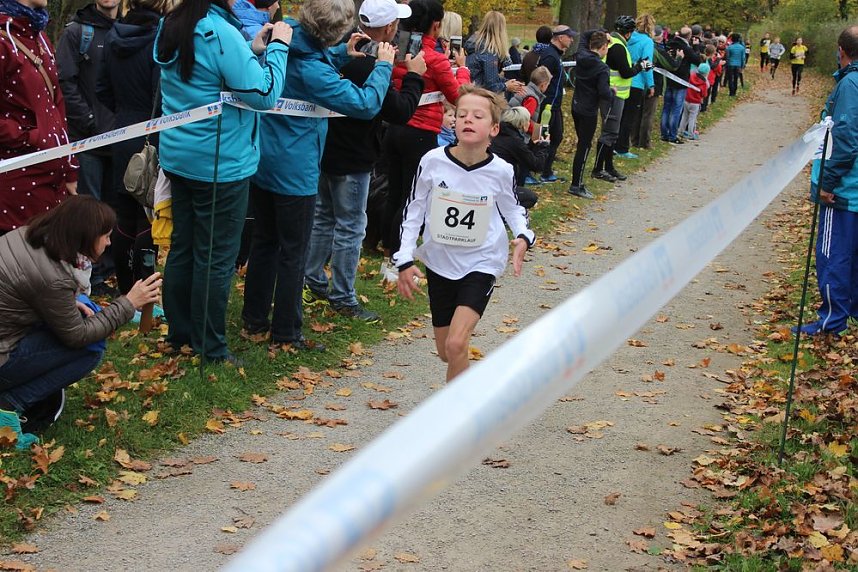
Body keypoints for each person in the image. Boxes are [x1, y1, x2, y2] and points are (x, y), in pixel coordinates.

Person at [242, 0, 393, 350]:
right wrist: (383, 66)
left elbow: (308, 57)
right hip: (294, 171)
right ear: (332, 31)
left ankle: (254, 319)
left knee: (265, 242)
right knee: (294, 252)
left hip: (263, 159)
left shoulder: (286, 36)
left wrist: (341, 53)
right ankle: (287, 333)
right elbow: (365, 103)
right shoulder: (313, 71)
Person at [153, 0, 292, 362]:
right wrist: (278, 47)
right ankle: (210, 347)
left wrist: (249, 50)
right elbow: (264, 94)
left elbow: (203, 73)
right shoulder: (220, 32)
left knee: (184, 247)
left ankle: (179, 334)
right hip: (220, 162)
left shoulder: (174, 23)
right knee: (214, 258)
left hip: (179, 156)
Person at [394, 85, 534, 382]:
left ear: (494, 128)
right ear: (453, 121)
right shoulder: (432, 160)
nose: (468, 120)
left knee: (457, 343)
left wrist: (523, 236)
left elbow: (512, 209)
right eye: (462, 115)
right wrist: (404, 258)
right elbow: (414, 210)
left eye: (478, 116)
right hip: (440, 262)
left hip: (481, 262)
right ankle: (470, 381)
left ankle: (458, 417)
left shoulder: (501, 170)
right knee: (448, 350)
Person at [0, 196, 161, 449]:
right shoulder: (53, 278)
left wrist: (63, 302)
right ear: (84, 236)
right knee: (91, 348)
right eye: (105, 236)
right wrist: (128, 304)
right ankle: (8, 406)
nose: (109, 243)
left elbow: (24, 288)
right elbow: (77, 336)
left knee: (90, 311)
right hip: (4, 354)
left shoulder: (27, 235)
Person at [302, 0, 425, 324]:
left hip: (324, 149)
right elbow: (398, 110)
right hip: (352, 157)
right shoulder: (367, 62)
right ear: (388, 28)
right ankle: (342, 295)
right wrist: (414, 77)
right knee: (350, 227)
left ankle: (313, 278)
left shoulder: (338, 50)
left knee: (324, 217)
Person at [379, 0, 470, 272]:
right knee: (411, 197)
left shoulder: (396, 54)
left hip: (393, 128)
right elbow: (459, 97)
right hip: (420, 132)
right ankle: (399, 259)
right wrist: (462, 70)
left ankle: (387, 252)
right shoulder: (435, 59)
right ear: (436, 25)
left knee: (394, 193)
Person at [96, 0, 168, 301]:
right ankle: (143, 298)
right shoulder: (160, 37)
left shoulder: (113, 35)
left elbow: (102, 89)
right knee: (147, 219)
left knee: (125, 215)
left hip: (122, 131)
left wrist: (124, 115)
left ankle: (127, 293)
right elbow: (160, 92)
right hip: (151, 134)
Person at [795, 25, 858, 336]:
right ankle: (850, 312)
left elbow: (845, 139)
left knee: (834, 255)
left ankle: (832, 320)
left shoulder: (850, 85)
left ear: (841, 51)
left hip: (845, 189)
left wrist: (827, 183)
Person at [0, 0, 78, 236]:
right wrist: (29, 137)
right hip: (13, 188)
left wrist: (69, 166)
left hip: (52, 184)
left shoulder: (39, 35)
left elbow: (57, 106)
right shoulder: (4, 41)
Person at [56, 0, 117, 201]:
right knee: (89, 215)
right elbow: (65, 83)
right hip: (88, 143)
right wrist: (89, 121)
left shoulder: (129, 30)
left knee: (116, 217)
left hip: (121, 139)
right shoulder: (76, 33)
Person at [591, 15, 648, 182]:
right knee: (609, 133)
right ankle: (598, 168)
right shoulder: (619, 47)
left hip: (613, 94)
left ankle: (608, 167)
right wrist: (640, 66)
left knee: (612, 133)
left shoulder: (613, 43)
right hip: (614, 95)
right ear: (629, 33)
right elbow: (626, 72)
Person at [568, 30, 612, 200]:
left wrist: (600, 34)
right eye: (607, 47)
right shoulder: (602, 68)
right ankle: (576, 184)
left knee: (582, 144)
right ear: (602, 47)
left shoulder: (581, 56)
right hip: (588, 111)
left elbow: (585, 35)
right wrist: (612, 92)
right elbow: (604, 92)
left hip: (576, 105)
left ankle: (576, 180)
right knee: (584, 147)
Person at [535, 25, 574, 183]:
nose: (571, 39)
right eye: (569, 36)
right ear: (560, 37)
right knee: (542, 137)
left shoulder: (557, 54)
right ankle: (534, 170)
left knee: (556, 136)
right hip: (547, 106)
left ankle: (546, 170)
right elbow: (540, 79)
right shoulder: (550, 56)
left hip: (555, 105)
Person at [615, 13, 655, 160]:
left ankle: (614, 143)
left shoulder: (629, 38)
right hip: (636, 82)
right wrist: (651, 84)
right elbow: (647, 64)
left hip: (622, 80)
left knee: (619, 115)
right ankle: (622, 148)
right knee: (629, 117)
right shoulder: (648, 42)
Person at [489, 105, 548, 201]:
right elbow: (537, 165)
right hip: (503, 187)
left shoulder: (499, 133)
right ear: (522, 123)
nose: (530, 124)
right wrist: (543, 145)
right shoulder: (514, 140)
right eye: (528, 121)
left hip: (492, 182)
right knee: (531, 198)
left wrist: (532, 145)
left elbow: (522, 154)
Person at [465, 11, 523, 96]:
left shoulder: (476, 46)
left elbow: (486, 76)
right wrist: (506, 86)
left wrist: (507, 82)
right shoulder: (489, 53)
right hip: (480, 97)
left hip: (470, 93)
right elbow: (491, 86)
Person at [660, 26, 701, 144]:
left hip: (669, 78)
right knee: (676, 108)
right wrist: (696, 47)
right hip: (681, 80)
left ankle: (664, 133)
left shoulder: (670, 43)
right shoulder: (686, 48)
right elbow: (697, 60)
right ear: (689, 36)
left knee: (667, 107)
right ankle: (672, 135)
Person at [678, 62, 709, 139]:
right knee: (692, 118)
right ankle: (690, 133)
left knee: (684, 116)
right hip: (695, 102)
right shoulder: (703, 83)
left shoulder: (691, 76)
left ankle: (680, 131)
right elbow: (704, 94)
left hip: (687, 99)